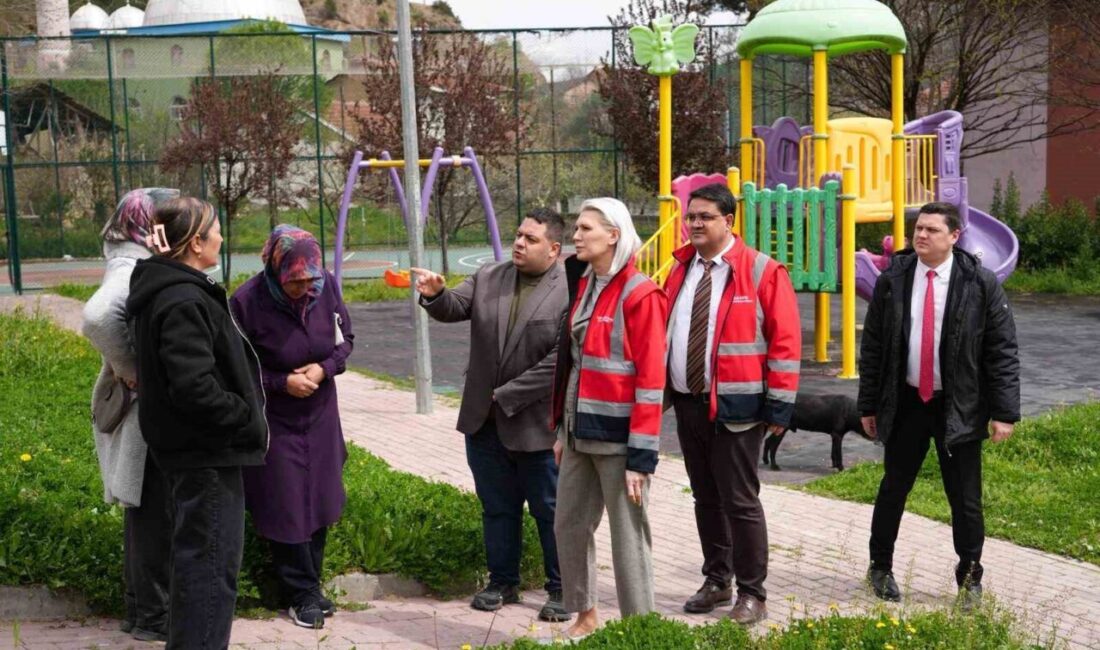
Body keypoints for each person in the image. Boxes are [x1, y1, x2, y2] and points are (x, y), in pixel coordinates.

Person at [411, 208, 571, 622]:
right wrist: (434, 294)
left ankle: (562, 587)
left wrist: (509, 394)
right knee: (497, 507)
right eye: (518, 234)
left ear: (554, 249)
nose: (519, 243)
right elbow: (453, 306)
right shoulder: (489, 276)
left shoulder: (570, 288)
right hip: (485, 422)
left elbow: (562, 360)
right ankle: (503, 582)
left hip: (538, 424)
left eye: (531, 239)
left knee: (549, 510)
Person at [859, 202, 1020, 609]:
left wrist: (1004, 413)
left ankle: (970, 580)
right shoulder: (893, 279)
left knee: (965, 499)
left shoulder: (980, 283)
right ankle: (880, 567)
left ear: (954, 236)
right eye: (919, 228)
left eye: (932, 229)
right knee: (894, 488)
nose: (922, 235)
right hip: (907, 402)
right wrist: (868, 405)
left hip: (959, 406)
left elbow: (1001, 351)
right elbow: (874, 347)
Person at [126, 197, 268, 650]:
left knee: (199, 566)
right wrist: (244, 417)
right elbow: (193, 387)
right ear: (193, 243)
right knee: (209, 571)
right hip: (206, 453)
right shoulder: (183, 298)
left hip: (196, 451)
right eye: (216, 231)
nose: (222, 238)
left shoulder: (170, 289)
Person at [663, 183, 801, 625]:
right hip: (689, 403)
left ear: (729, 221)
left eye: (705, 216)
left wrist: (779, 407)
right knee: (705, 497)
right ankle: (717, 580)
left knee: (740, 501)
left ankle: (753, 594)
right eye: (691, 217)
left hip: (739, 410)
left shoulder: (762, 271)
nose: (696, 224)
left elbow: (785, 341)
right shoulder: (679, 269)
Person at [548, 198, 668, 640]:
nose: (576, 236)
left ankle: (641, 630)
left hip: (620, 443)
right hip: (580, 435)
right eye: (577, 228)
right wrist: (563, 430)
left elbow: (651, 379)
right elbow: (577, 364)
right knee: (569, 525)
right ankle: (585, 615)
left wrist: (641, 456)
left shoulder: (641, 294)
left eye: (585, 228)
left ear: (613, 235)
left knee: (628, 538)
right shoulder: (587, 284)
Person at [230, 225, 354, 629]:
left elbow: (345, 340)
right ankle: (299, 592)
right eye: (294, 281)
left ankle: (310, 585)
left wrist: (323, 368)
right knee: (285, 502)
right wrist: (282, 383)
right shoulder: (246, 302)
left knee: (320, 497)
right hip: (276, 418)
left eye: (309, 280)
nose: (303, 288)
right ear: (275, 269)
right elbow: (237, 369)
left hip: (320, 413)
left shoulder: (326, 287)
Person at [81, 187, 179, 642]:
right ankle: (152, 618)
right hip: (144, 415)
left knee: (145, 515)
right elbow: (98, 316)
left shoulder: (130, 258)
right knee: (154, 514)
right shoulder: (132, 266)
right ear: (146, 223)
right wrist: (132, 369)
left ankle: (140, 614)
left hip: (140, 413)